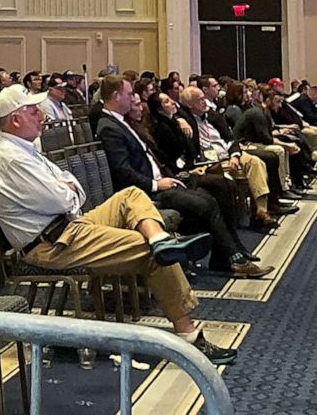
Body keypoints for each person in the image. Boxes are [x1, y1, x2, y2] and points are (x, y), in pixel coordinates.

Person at [0, 87, 236, 364]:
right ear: (15, 119)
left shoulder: (24, 150)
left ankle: (159, 238)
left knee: (131, 196)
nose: (41, 115)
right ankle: (188, 333)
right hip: (52, 244)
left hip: (68, 226)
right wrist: (67, 190)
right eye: (32, 111)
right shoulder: (9, 158)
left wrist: (67, 190)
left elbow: (72, 189)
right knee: (149, 253)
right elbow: (63, 197)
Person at [96, 75, 270, 277]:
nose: (133, 98)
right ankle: (233, 258)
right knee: (206, 203)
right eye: (129, 94)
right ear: (116, 96)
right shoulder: (109, 126)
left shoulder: (122, 122)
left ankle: (226, 256)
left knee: (220, 187)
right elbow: (122, 171)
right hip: (144, 192)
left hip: (163, 178)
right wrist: (156, 184)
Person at [178, 87, 294, 229]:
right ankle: (258, 214)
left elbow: (231, 138)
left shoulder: (212, 116)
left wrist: (234, 155)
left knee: (256, 162)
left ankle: (261, 212)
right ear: (189, 104)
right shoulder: (185, 119)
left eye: (204, 98)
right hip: (210, 162)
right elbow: (173, 110)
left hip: (228, 154)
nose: (205, 102)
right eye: (200, 100)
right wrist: (179, 119)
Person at [235, 87, 312, 193]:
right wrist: (286, 145)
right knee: (279, 150)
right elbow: (267, 139)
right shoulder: (257, 113)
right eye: (277, 102)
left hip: (255, 141)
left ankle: (291, 182)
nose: (280, 105)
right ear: (267, 101)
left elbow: (269, 132)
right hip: (245, 144)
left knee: (291, 141)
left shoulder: (263, 112)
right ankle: (282, 188)